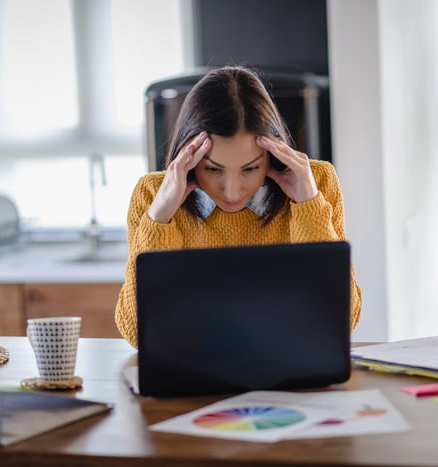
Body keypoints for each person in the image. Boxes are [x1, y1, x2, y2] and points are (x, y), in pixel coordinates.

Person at [115, 65, 362, 348]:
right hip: (196, 378)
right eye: (214, 170)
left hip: (290, 375)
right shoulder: (152, 194)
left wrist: (308, 204)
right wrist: (160, 216)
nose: (232, 191)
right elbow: (137, 332)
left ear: (272, 156)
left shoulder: (316, 181)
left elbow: (340, 321)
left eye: (250, 168)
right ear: (191, 159)